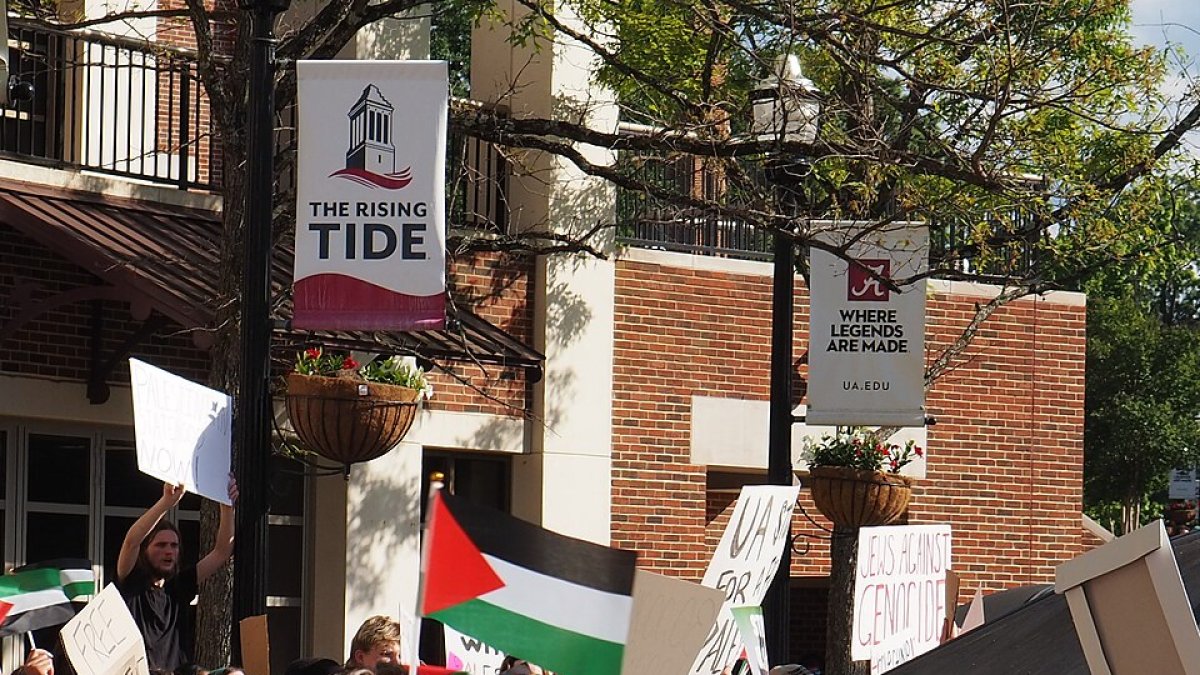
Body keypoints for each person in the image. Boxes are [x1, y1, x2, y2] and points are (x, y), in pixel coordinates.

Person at [115, 478, 237, 672]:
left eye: (174, 546)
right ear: (145, 550)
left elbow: (221, 552)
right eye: (161, 545)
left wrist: (227, 507)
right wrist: (166, 502)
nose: (169, 551)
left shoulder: (179, 586)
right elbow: (132, 541)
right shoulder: (131, 581)